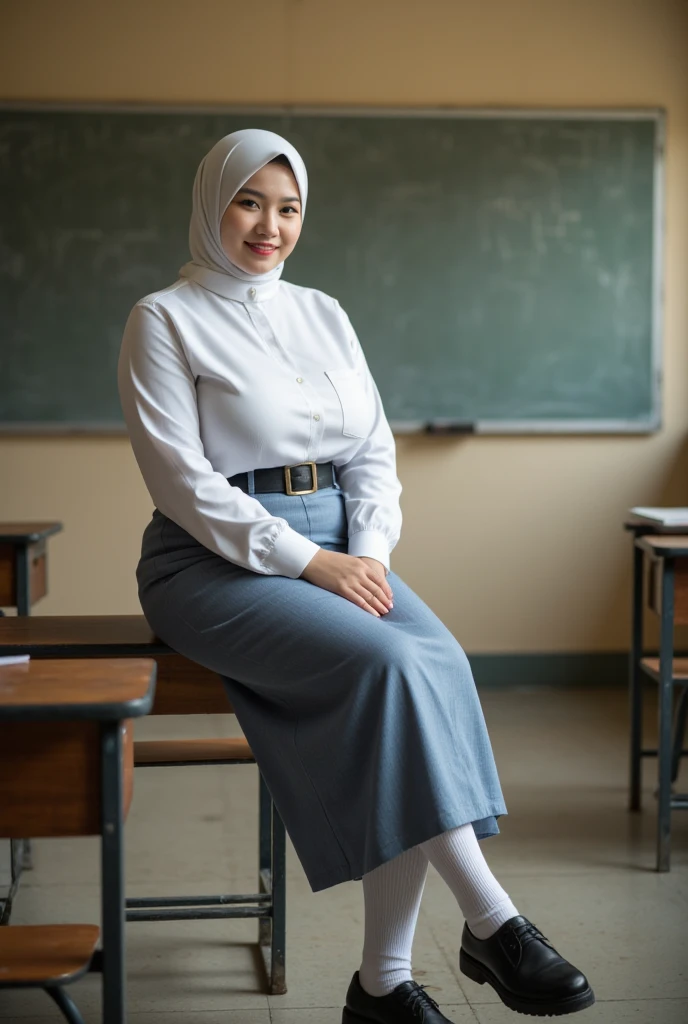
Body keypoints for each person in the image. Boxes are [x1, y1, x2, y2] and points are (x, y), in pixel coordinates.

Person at [118, 129, 594, 1021]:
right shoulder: (162, 319)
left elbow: (372, 453)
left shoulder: (325, 312)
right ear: (211, 203)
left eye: (289, 207)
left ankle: (383, 985)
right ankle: (493, 918)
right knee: (394, 669)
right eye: (249, 201)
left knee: (437, 663)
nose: (271, 225)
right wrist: (310, 562)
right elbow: (180, 482)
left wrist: (366, 554)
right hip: (210, 562)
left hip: (346, 546)